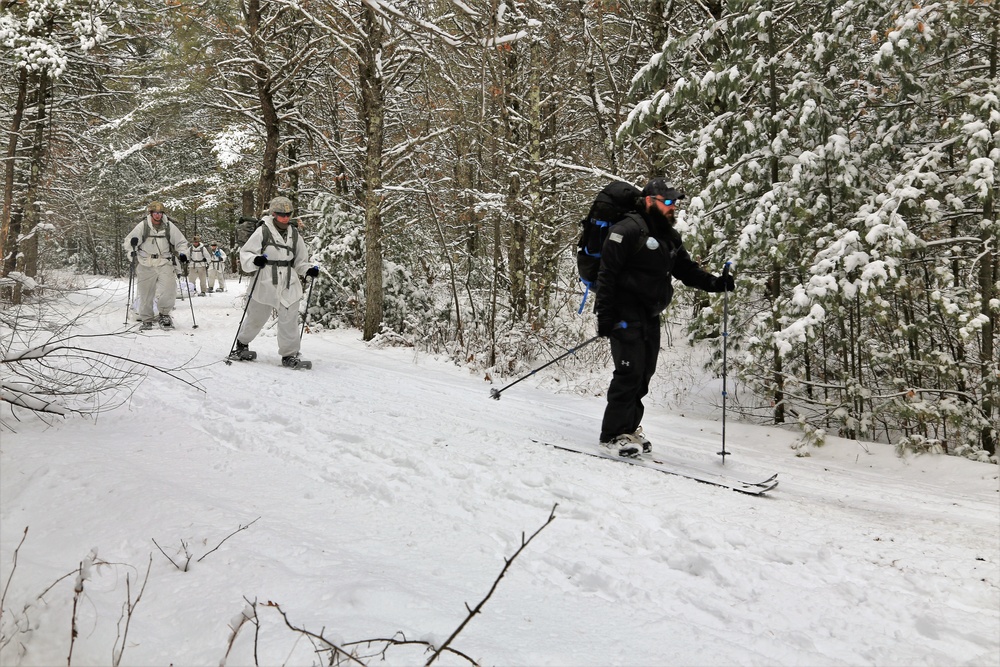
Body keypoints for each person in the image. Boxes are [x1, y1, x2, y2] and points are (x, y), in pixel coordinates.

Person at [594, 177, 734, 457]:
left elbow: (686, 270)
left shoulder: (668, 236)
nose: (672, 207)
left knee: (644, 374)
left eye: (674, 203)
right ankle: (612, 436)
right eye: (667, 202)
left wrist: (717, 283)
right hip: (624, 312)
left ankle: (629, 429)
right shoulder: (626, 230)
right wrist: (605, 316)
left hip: (650, 314)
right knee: (628, 373)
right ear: (650, 201)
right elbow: (606, 274)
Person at [231, 196, 319, 368]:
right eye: (281, 214)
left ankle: (289, 355)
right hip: (265, 279)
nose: (285, 218)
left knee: (289, 319)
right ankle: (242, 344)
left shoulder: (294, 234)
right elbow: (247, 253)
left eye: (288, 214)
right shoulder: (263, 231)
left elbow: (300, 260)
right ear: (273, 214)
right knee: (257, 317)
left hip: (288, 280)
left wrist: (308, 269)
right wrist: (255, 260)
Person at [123, 201, 191, 330]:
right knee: (145, 292)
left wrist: (183, 254)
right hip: (145, 262)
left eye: (160, 213)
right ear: (151, 213)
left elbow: (181, 242)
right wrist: (132, 250)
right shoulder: (143, 226)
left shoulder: (169, 226)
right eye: (155, 213)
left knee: (169, 289)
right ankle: (146, 318)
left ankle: (164, 314)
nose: (158, 215)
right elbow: (129, 242)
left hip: (164, 261)